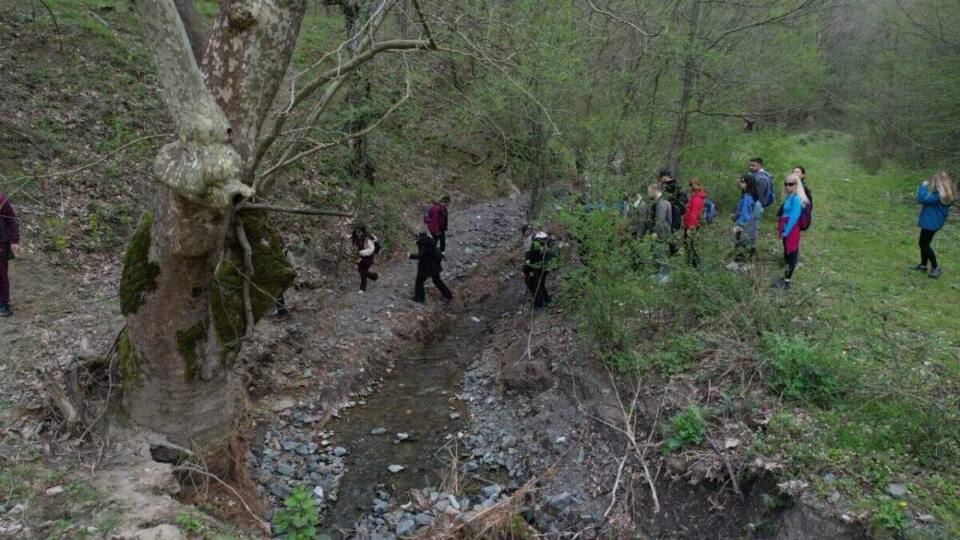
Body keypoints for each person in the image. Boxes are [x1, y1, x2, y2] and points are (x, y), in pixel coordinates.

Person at [914, 171, 955, 278]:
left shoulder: (939, 196)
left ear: (940, 183)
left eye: (935, 181)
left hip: (930, 223)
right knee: (923, 243)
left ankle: (935, 267)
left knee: (924, 244)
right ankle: (923, 265)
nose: (933, 183)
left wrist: (922, 187)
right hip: (932, 222)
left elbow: (922, 199)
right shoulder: (944, 195)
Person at [774, 173, 810, 289]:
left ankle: (787, 282)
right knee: (787, 253)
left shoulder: (796, 199)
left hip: (792, 230)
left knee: (791, 254)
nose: (787, 186)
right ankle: (785, 278)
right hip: (786, 229)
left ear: (796, 185)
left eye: (791, 184)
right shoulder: (789, 196)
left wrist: (786, 232)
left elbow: (794, 217)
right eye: (786, 184)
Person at [409, 232, 452, 303]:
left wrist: (410, 256)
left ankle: (419, 298)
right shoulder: (430, 242)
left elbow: (421, 256)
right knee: (437, 281)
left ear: (420, 239)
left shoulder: (424, 245)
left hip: (428, 268)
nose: (415, 240)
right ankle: (449, 295)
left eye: (416, 239)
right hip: (435, 266)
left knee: (419, 281)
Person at [645, 183, 673, 283]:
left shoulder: (661, 203)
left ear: (654, 190)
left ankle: (665, 276)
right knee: (656, 253)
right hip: (662, 232)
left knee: (661, 253)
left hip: (661, 233)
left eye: (649, 191)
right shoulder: (659, 202)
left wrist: (655, 232)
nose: (648, 193)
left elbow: (660, 220)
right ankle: (658, 273)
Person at [732, 174, 761, 262]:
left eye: (743, 181)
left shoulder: (748, 197)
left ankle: (740, 259)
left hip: (746, 222)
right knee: (750, 238)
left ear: (749, 183)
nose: (740, 183)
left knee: (742, 239)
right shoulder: (748, 195)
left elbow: (745, 212)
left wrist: (740, 225)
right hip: (751, 221)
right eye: (741, 181)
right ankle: (751, 254)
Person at [658, 169, 686, 256]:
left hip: (673, 212)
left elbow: (671, 199)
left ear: (664, 177)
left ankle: (674, 250)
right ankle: (673, 250)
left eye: (661, 177)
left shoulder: (671, 185)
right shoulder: (672, 184)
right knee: (669, 230)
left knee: (669, 230)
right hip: (673, 211)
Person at [0, 193, 19, 318]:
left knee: (1, 274)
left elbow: (11, 219)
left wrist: (14, 240)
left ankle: (4, 303)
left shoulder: (1, 200)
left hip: (1, 242)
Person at [523, 231, 553, 309]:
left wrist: (527, 271)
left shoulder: (531, 243)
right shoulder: (545, 242)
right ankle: (546, 300)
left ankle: (539, 304)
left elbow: (529, 259)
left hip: (537, 268)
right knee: (540, 284)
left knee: (536, 285)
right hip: (545, 266)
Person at [682, 178, 706, 268]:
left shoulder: (696, 198)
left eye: (691, 185)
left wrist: (690, 227)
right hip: (691, 225)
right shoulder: (695, 197)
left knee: (689, 245)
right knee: (688, 245)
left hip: (692, 226)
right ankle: (690, 264)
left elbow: (693, 214)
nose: (690, 187)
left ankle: (695, 265)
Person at [351, 224, 379, 292]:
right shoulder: (358, 237)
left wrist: (362, 252)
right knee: (361, 271)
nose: (357, 234)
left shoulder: (368, 239)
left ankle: (362, 288)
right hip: (363, 257)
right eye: (356, 232)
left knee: (362, 271)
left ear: (363, 231)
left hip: (369, 257)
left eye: (359, 232)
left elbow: (372, 249)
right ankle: (374, 276)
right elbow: (350, 236)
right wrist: (344, 236)